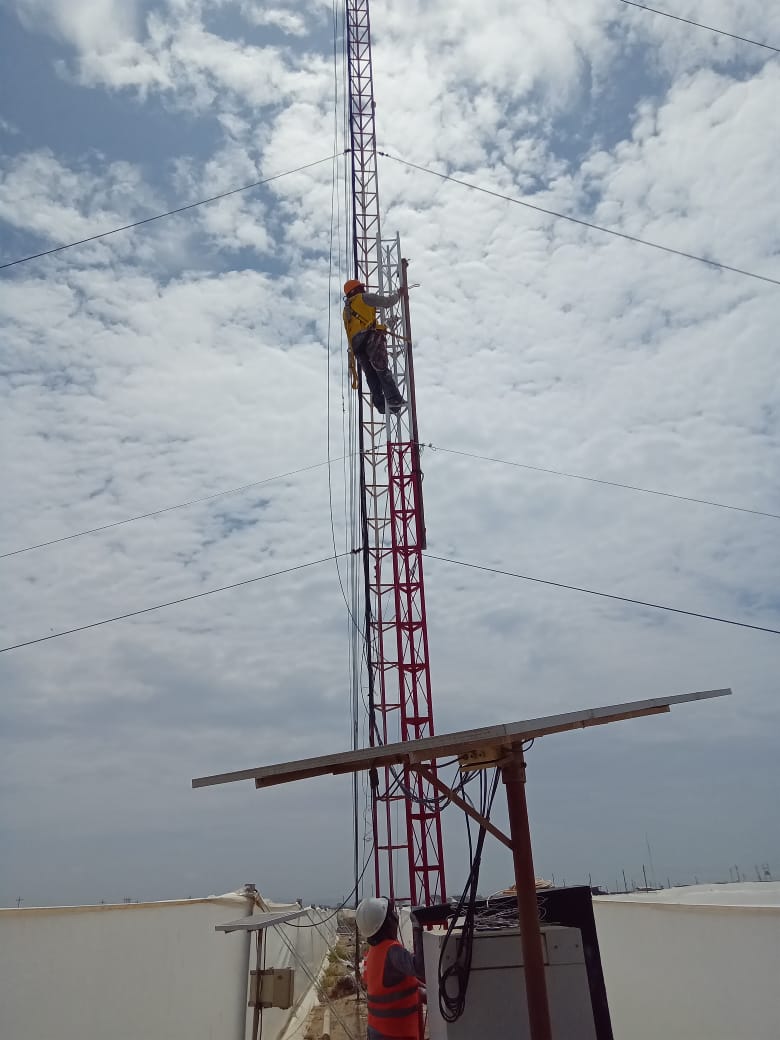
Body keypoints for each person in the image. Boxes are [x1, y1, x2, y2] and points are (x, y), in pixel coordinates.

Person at [356, 896, 424, 1040]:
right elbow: (420, 968)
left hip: (377, 1030)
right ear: (387, 923)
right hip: (395, 1034)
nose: (396, 917)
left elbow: (395, 991)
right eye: (393, 914)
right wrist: (418, 927)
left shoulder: (373, 953)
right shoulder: (392, 951)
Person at [343, 279, 406, 415]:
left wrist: (387, 324)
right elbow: (387, 302)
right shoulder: (363, 298)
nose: (363, 289)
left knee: (371, 375)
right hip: (369, 337)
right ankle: (394, 400)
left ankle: (381, 405)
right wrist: (398, 294)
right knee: (381, 368)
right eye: (361, 287)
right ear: (356, 290)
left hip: (357, 346)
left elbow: (363, 326)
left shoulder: (346, 309)